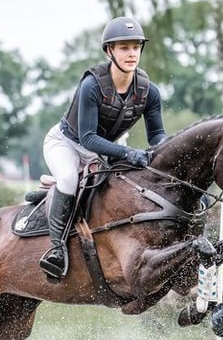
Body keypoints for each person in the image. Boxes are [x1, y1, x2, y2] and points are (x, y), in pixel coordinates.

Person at [39, 16, 167, 279]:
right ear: (110, 51)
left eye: (135, 47)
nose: (132, 54)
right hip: (68, 144)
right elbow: (87, 138)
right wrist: (129, 153)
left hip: (108, 148)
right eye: (124, 48)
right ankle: (56, 249)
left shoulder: (149, 92)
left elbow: (157, 137)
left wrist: (174, 155)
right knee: (68, 178)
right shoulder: (91, 85)